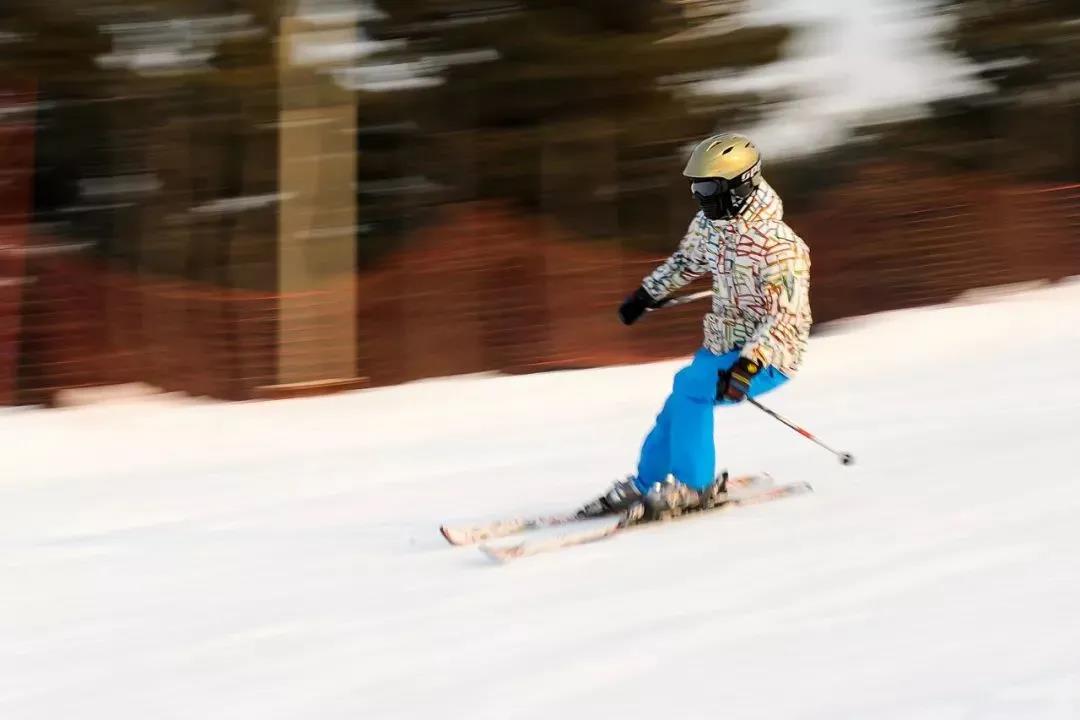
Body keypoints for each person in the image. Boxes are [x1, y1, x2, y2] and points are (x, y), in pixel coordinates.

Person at [580, 133, 812, 521]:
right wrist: (645, 295)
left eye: (708, 187)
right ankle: (645, 481)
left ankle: (694, 486)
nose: (701, 197)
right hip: (721, 345)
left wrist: (748, 366)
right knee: (678, 402)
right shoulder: (711, 225)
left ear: (741, 184)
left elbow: (784, 318)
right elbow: (685, 262)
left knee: (689, 390)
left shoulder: (780, 247)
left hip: (769, 355)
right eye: (696, 187)